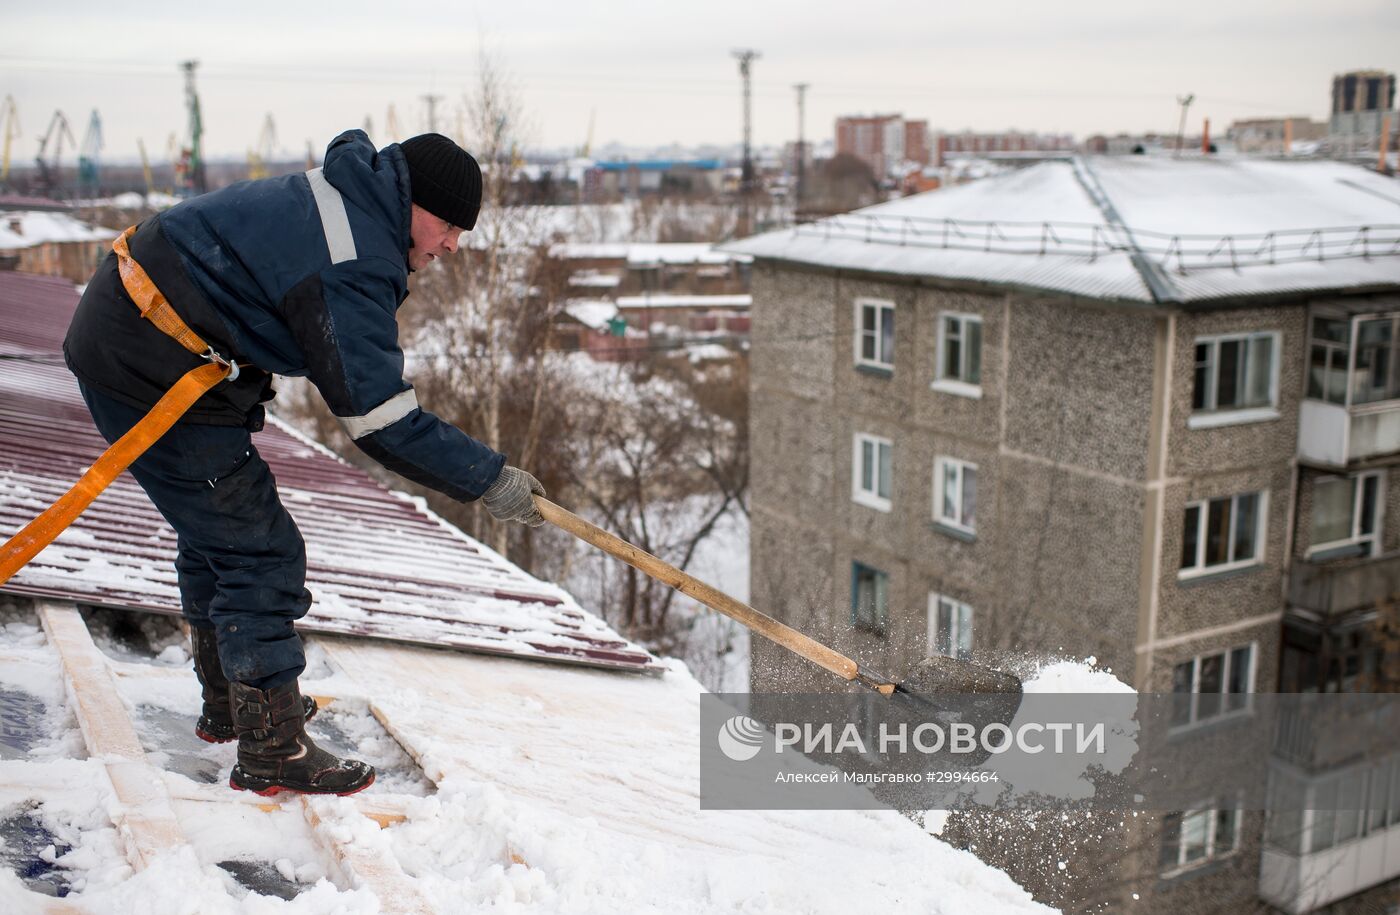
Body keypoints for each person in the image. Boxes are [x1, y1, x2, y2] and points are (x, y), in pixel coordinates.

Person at [62, 130, 545, 797]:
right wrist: (490, 478)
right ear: (414, 202)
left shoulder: (352, 199)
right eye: (448, 224)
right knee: (258, 548)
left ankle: (236, 699)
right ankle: (272, 745)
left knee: (222, 533)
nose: (452, 244)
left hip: (147, 331)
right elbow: (380, 420)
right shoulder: (355, 258)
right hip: (149, 354)